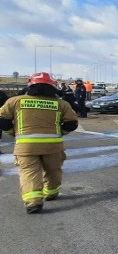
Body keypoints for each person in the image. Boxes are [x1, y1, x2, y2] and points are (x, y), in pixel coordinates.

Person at [0, 72, 78, 214]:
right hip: (53, 146)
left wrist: (12, 133)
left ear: (30, 86)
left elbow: (2, 121)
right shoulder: (61, 103)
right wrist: (61, 133)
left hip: (25, 147)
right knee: (53, 170)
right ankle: (51, 193)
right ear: (52, 87)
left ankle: (33, 202)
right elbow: (71, 123)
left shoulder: (15, 101)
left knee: (29, 172)